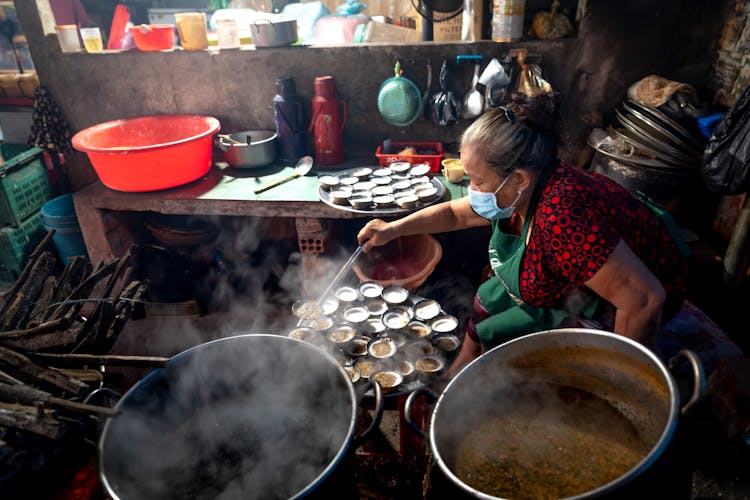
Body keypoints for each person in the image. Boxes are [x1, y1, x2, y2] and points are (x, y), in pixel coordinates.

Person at [357, 103, 689, 378]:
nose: (472, 190)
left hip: (626, 298)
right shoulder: (525, 188)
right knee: (489, 296)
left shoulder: (562, 216)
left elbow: (644, 301)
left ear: (518, 179)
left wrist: (619, 379)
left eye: (477, 180)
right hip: (594, 267)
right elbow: (458, 214)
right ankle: (458, 373)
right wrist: (393, 229)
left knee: (551, 374)